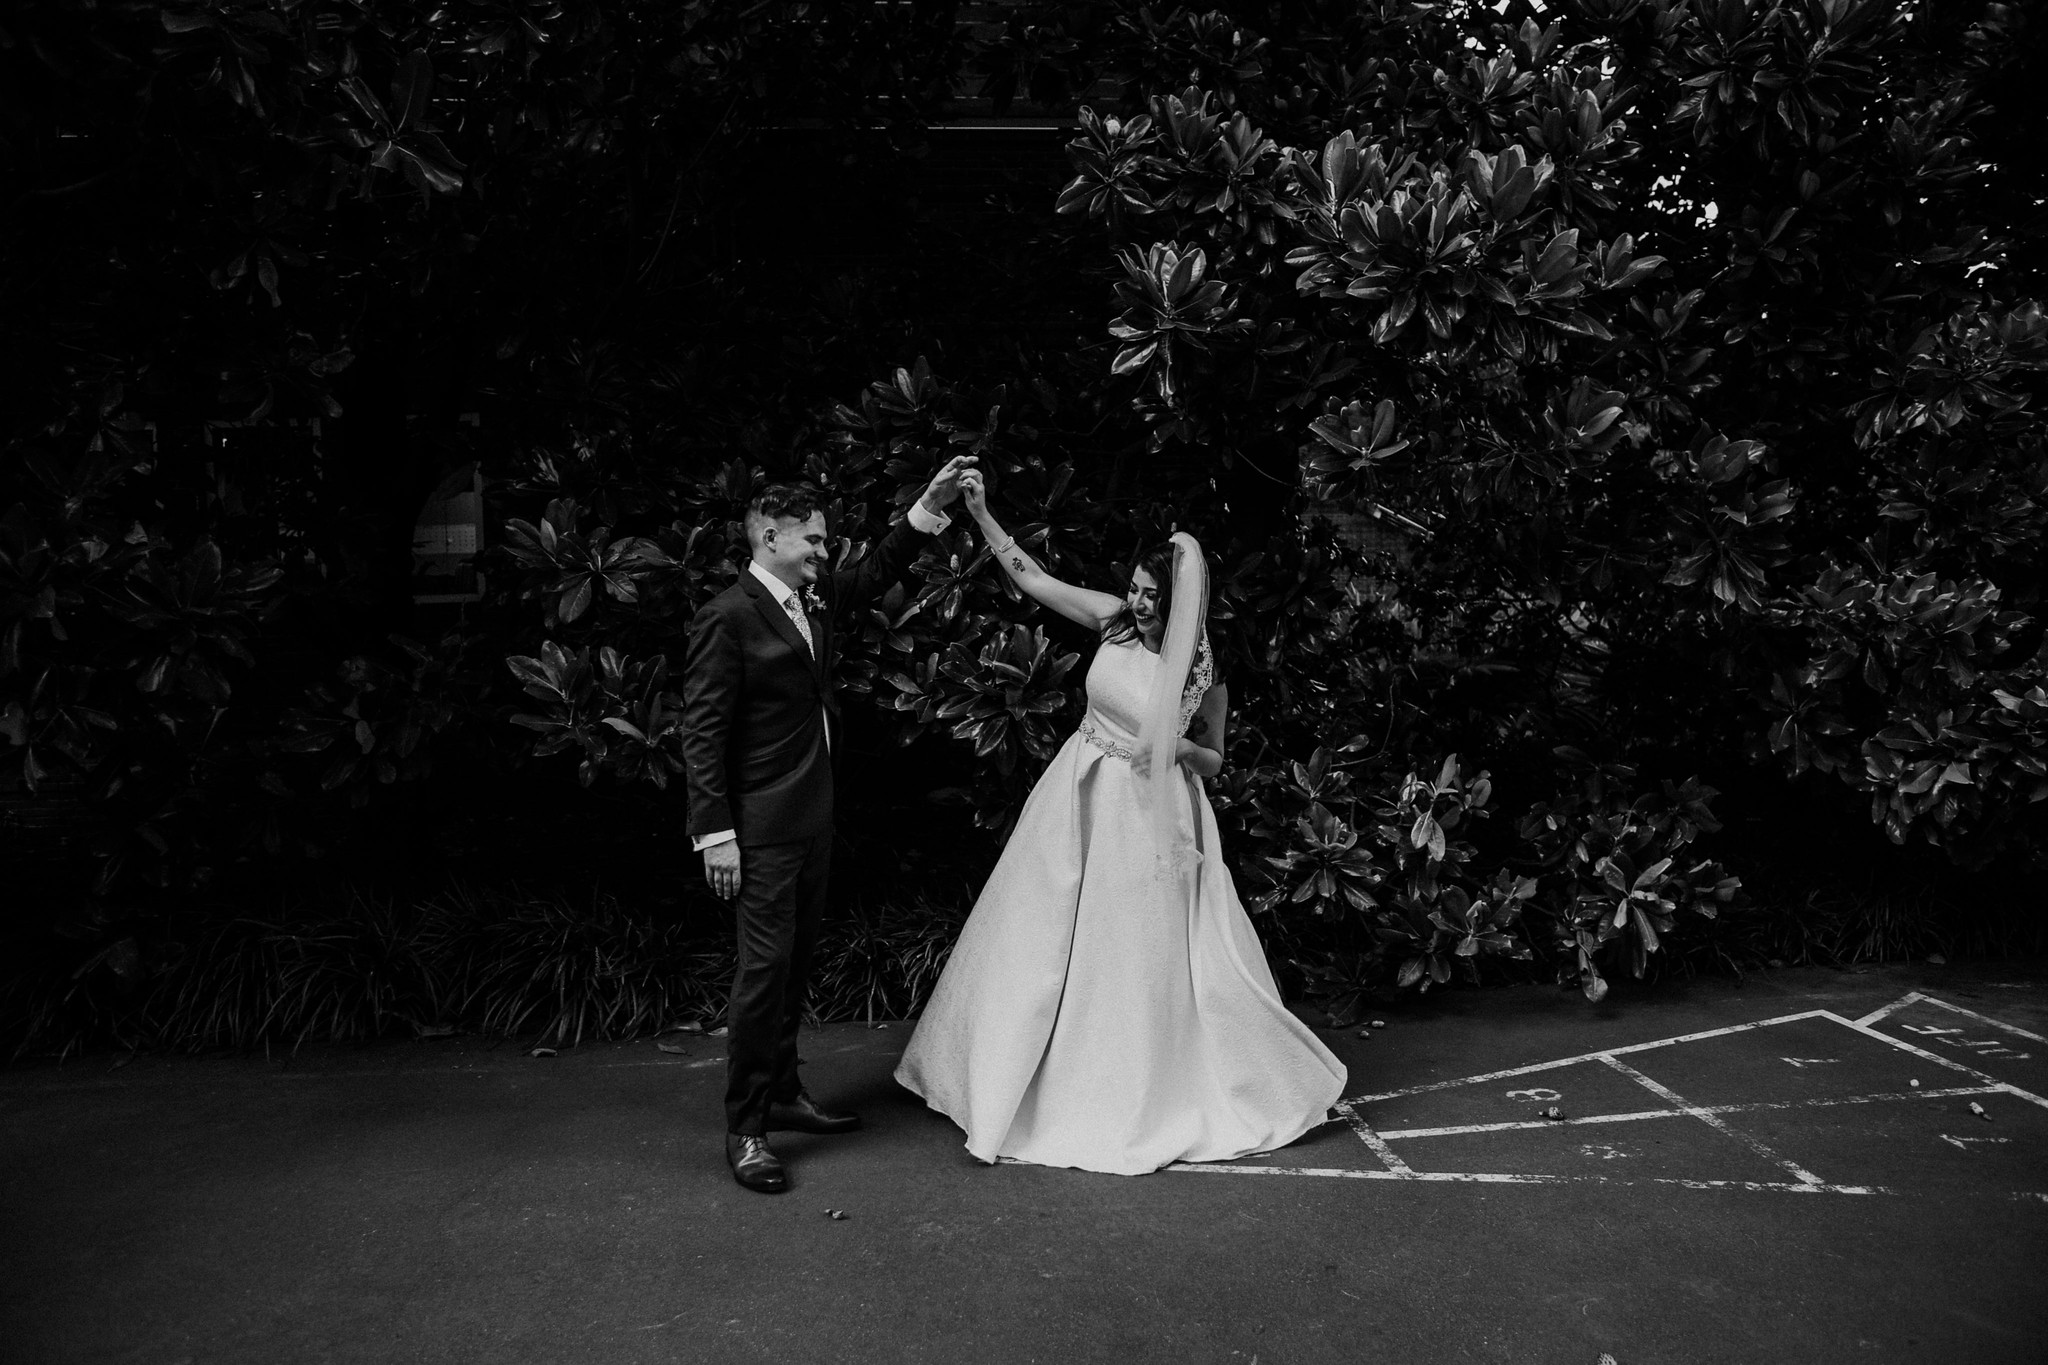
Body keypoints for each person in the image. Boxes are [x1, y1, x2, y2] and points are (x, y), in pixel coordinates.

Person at [895, 470, 1346, 1175]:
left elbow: (1215, 758)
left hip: (1148, 816)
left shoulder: (1201, 674)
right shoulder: (1112, 621)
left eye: (1149, 595)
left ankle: (1125, 1086)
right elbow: (1034, 578)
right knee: (1040, 935)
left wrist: (1173, 746)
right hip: (1078, 791)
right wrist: (981, 514)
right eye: (1133, 587)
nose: (1135, 601)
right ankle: (1001, 1074)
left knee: (1128, 951)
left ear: (1178, 604)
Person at [682, 458, 974, 1193]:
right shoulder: (727, 616)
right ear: (770, 535)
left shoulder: (811, 601)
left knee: (793, 967)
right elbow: (702, 732)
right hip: (759, 830)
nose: (822, 550)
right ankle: (747, 1127)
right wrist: (714, 833)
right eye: (811, 539)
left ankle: (783, 1092)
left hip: (813, 819)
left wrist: (930, 505)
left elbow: (876, 569)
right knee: (760, 976)